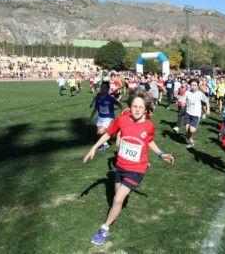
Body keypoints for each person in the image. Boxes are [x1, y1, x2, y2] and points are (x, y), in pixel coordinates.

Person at [83, 91, 174, 246]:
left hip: (137, 168)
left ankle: (104, 228)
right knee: (118, 197)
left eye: (140, 107)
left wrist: (161, 154)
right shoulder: (122, 120)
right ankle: (120, 201)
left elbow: (149, 141)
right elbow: (108, 134)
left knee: (117, 199)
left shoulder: (149, 126)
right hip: (121, 166)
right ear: (129, 107)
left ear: (146, 109)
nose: (137, 110)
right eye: (134, 106)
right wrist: (94, 148)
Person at [89, 81, 123, 151]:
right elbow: (95, 108)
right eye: (101, 87)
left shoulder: (110, 98)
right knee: (98, 132)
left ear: (107, 89)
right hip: (100, 116)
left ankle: (113, 130)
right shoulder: (98, 97)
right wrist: (91, 117)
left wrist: (122, 112)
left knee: (101, 132)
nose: (102, 89)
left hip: (109, 117)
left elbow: (119, 104)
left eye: (104, 88)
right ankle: (105, 144)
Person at [183, 78, 210, 148]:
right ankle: (190, 141)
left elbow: (207, 101)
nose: (193, 87)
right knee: (187, 129)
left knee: (191, 130)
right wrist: (182, 103)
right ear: (190, 85)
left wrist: (208, 109)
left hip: (196, 114)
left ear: (197, 86)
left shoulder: (200, 93)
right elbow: (183, 100)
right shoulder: (187, 92)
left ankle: (189, 138)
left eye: (195, 85)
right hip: (188, 112)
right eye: (192, 85)